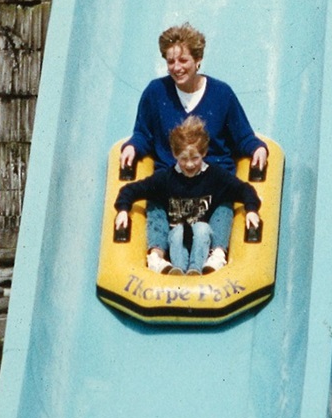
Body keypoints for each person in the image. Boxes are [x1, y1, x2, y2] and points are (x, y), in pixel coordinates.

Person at [121, 23, 267, 273]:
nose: (177, 68)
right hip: (173, 182)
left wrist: (256, 148)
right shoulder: (156, 93)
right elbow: (143, 133)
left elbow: (242, 135)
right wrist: (133, 146)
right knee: (154, 197)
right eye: (170, 61)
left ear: (198, 59)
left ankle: (217, 254)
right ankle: (157, 255)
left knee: (224, 201)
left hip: (210, 180)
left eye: (183, 60)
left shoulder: (221, 94)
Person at [114, 117, 262, 276]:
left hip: (205, 236)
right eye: (184, 159)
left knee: (224, 206)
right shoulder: (165, 178)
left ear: (204, 153)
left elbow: (244, 189)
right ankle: (157, 257)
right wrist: (123, 210)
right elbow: (130, 190)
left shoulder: (215, 176)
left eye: (195, 158)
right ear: (174, 154)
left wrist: (251, 210)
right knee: (155, 206)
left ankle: (217, 255)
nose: (189, 164)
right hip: (175, 237)